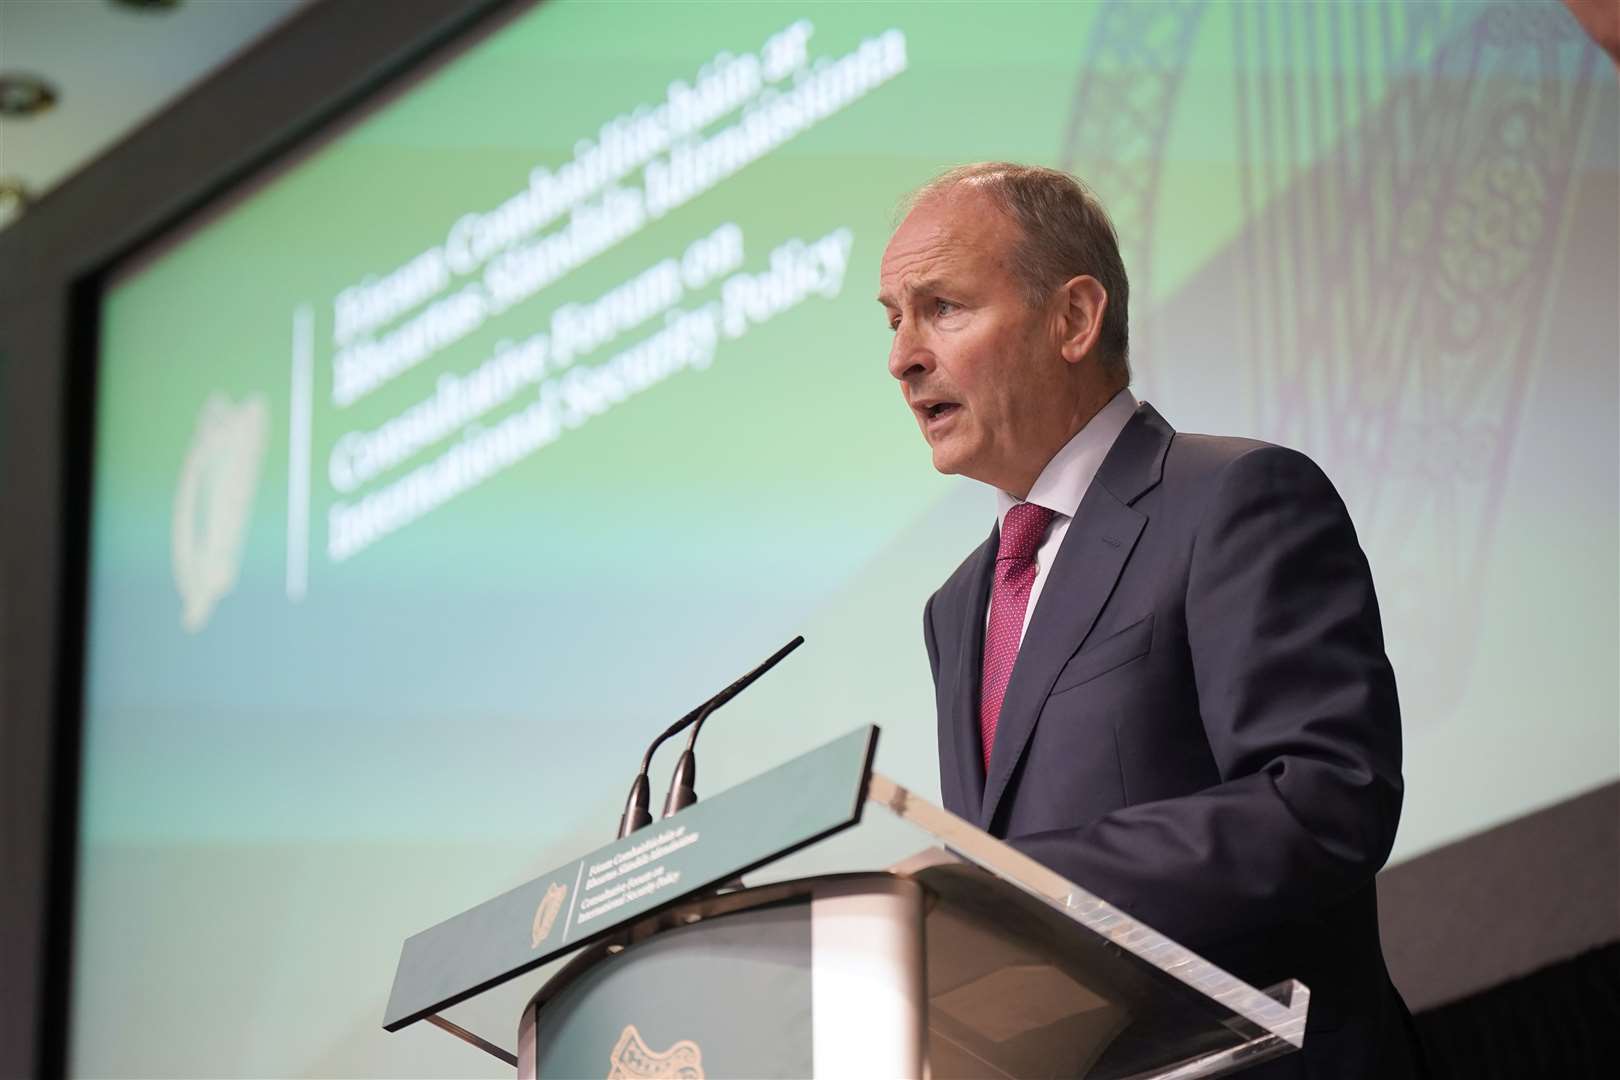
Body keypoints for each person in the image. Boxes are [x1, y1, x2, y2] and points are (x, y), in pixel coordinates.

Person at [879, 163, 1425, 1079]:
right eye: (892, 318)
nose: (902, 356)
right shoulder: (958, 608)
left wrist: (1008, 892)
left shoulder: (1233, 498)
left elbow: (1326, 800)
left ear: (1074, 319)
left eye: (942, 308)